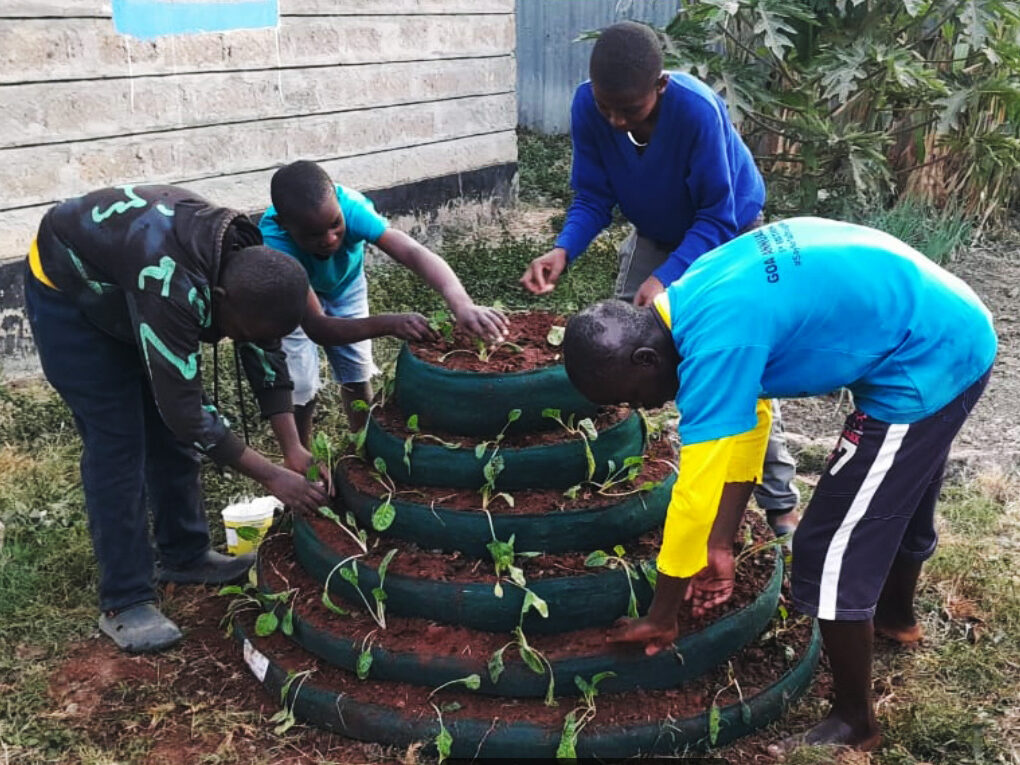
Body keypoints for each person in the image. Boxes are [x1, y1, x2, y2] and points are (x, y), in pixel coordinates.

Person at [561, 217, 996, 752]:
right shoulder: (692, 298)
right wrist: (720, 544)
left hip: (927, 358)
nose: (644, 408)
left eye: (634, 396)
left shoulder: (716, 344)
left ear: (645, 359)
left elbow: (693, 492)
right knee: (895, 490)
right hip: (949, 321)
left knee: (826, 547)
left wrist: (662, 614)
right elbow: (753, 419)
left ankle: (854, 723)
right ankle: (896, 620)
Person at [520, 20, 799, 535]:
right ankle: (627, 461)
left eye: (630, 109)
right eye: (607, 106)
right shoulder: (589, 107)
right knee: (620, 348)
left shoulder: (695, 111)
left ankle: (779, 502)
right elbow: (592, 196)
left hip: (727, 235)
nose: (616, 119)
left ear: (661, 86)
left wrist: (669, 277)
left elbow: (718, 215)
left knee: (736, 360)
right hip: (657, 231)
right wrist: (563, 250)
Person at [25, 183, 330, 653]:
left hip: (130, 280)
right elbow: (186, 411)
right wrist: (271, 476)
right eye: (237, 332)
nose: (235, 340)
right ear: (221, 298)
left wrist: (293, 450)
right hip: (70, 288)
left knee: (169, 432)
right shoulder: (172, 286)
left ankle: (184, 554)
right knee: (119, 441)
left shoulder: (248, 263)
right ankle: (125, 600)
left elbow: (263, 347)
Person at [260, 160, 508, 444]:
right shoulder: (274, 243)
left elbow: (413, 252)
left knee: (356, 370)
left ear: (339, 207)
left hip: (344, 285)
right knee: (300, 383)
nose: (329, 239)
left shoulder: (352, 207)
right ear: (284, 226)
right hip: (293, 298)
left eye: (335, 225)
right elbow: (318, 327)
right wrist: (390, 323)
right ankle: (302, 454)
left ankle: (364, 442)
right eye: (313, 235)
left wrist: (461, 303)